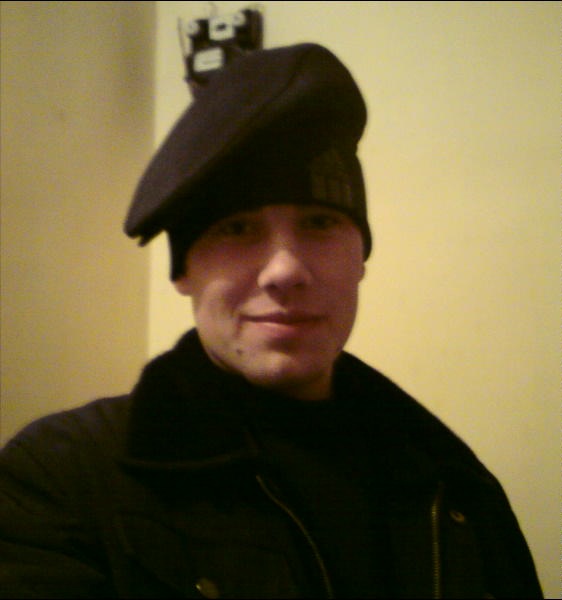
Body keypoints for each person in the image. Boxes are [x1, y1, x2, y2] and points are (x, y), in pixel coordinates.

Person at [0, 43, 542, 599]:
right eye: (237, 228)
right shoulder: (61, 480)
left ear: (360, 257)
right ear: (184, 271)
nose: (285, 270)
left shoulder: (452, 481)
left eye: (319, 222)